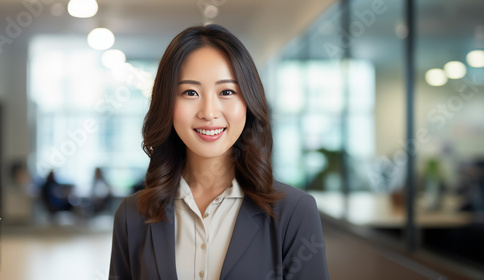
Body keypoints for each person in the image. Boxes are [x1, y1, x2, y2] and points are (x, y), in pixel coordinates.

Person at [109, 24, 329, 280]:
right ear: (167, 104)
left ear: (249, 102)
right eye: (190, 92)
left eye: (226, 92)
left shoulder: (294, 212)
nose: (209, 112)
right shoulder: (132, 215)